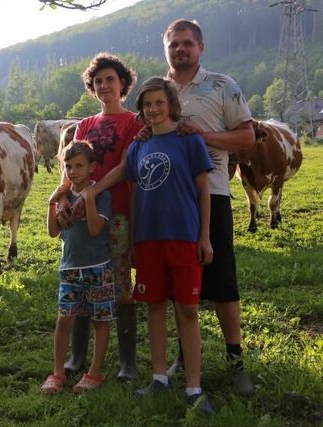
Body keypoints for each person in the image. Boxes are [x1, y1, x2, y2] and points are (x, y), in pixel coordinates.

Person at [161, 19, 255, 395]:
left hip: (212, 195)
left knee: (223, 282)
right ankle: (185, 357)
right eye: (173, 45)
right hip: (168, 201)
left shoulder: (222, 86)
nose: (180, 50)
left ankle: (236, 362)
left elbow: (248, 136)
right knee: (179, 285)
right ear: (166, 50)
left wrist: (205, 135)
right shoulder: (158, 90)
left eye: (187, 43)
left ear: (201, 47)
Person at [50, 52, 143, 381]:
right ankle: (77, 357)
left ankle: (127, 363)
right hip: (77, 216)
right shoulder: (85, 125)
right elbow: (69, 164)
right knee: (82, 281)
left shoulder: (134, 122)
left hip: (115, 213)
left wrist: (92, 192)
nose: (104, 86)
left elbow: (124, 166)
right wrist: (63, 197)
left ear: (123, 85)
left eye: (110, 80)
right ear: (93, 87)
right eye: (99, 81)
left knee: (119, 285)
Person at [126, 76, 214, 413]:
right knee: (155, 306)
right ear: (142, 109)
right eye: (147, 104)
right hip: (148, 239)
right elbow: (135, 198)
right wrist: (134, 241)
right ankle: (159, 378)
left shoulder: (189, 141)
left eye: (159, 102)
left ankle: (194, 386)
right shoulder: (138, 147)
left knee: (188, 310)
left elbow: (203, 192)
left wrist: (204, 236)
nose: (153, 109)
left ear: (171, 104)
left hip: (184, 236)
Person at [40, 141, 116, 394]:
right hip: (70, 269)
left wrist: (89, 199)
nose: (73, 172)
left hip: (98, 269)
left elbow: (95, 229)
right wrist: (52, 203)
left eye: (79, 166)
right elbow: (53, 232)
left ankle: (94, 373)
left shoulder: (102, 195)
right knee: (64, 321)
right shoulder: (63, 198)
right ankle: (58, 373)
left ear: (92, 167)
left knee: (100, 322)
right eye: (68, 166)